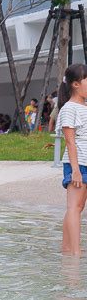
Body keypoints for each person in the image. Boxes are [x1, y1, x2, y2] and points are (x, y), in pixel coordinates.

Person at [58, 63, 87, 255]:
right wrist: (75, 169)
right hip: (78, 163)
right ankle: (75, 253)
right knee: (74, 207)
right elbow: (70, 142)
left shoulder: (84, 107)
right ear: (76, 84)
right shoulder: (69, 108)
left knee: (78, 208)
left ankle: (68, 250)